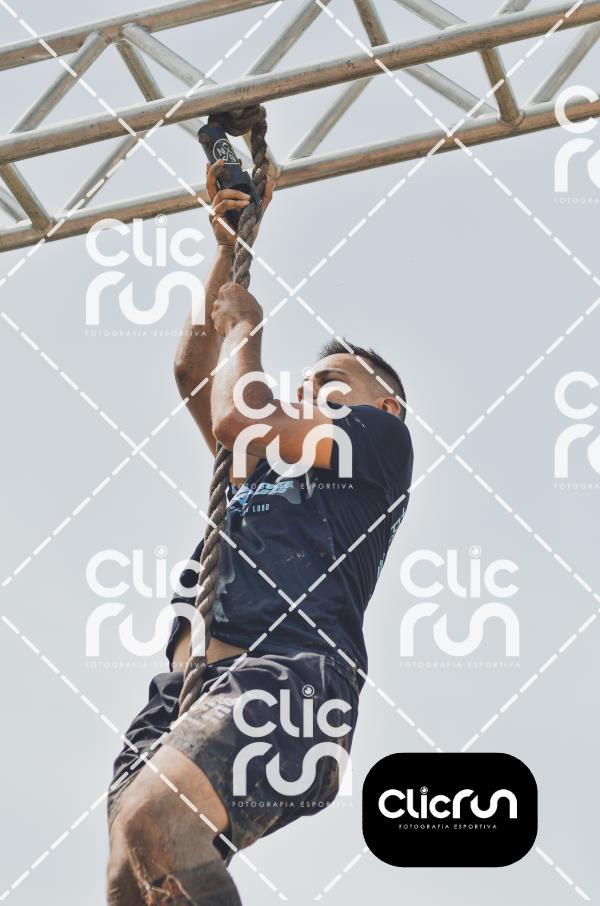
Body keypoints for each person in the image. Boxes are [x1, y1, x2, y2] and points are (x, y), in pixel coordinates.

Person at [106, 160, 414, 904]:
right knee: (134, 880)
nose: (309, 394)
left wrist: (248, 328)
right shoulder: (260, 466)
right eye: (304, 386)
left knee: (157, 824)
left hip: (291, 678)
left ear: (385, 407)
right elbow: (195, 371)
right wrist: (227, 251)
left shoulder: (377, 446)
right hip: (184, 694)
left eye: (331, 384)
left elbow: (236, 414)